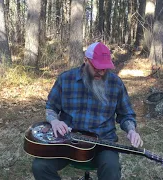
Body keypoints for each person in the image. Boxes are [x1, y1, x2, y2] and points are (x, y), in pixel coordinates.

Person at [32, 42, 143, 180]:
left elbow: (126, 114)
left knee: (111, 169)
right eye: (97, 67)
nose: (101, 72)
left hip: (103, 142)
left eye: (105, 68)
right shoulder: (66, 79)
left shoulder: (116, 84)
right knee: (40, 166)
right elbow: (51, 107)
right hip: (68, 140)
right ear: (86, 61)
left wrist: (131, 130)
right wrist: (54, 121)